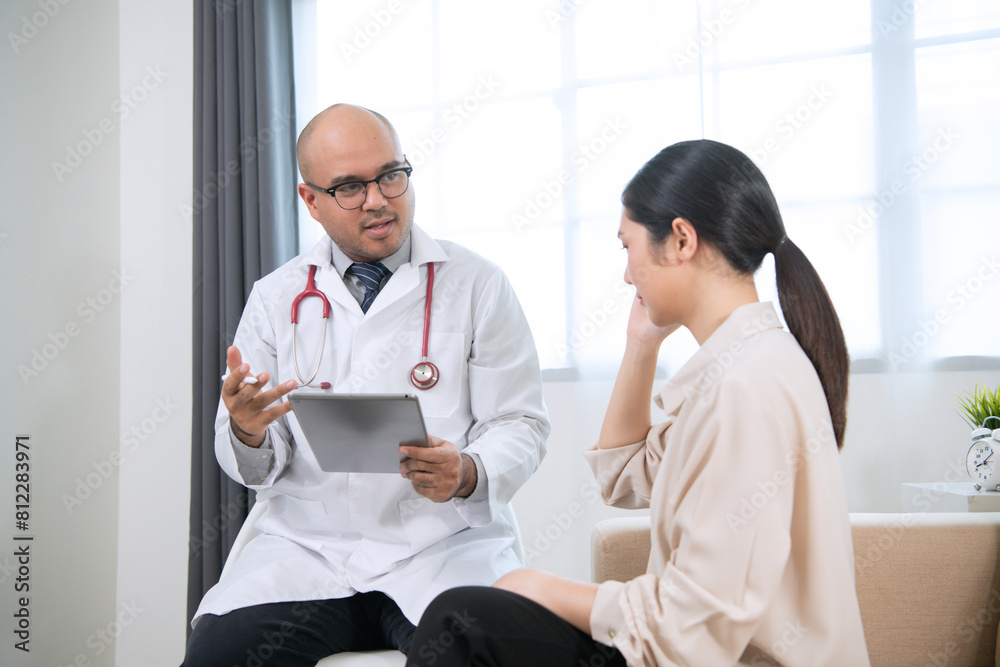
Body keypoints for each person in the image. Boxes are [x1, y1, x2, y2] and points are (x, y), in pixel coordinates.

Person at [406, 139, 870, 666]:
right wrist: (642, 343)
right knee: (467, 615)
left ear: (680, 240)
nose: (627, 273)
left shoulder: (745, 386)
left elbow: (693, 625)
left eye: (627, 247)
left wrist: (538, 586)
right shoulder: (744, 364)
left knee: (461, 620)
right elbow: (624, 476)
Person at [181, 104, 550, 665]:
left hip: (440, 547)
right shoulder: (275, 297)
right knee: (221, 654)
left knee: (476, 652)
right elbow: (256, 462)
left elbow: (520, 423)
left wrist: (468, 471)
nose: (378, 199)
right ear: (311, 200)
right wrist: (247, 430)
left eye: (390, 176)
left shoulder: (478, 284)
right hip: (309, 552)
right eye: (350, 187)